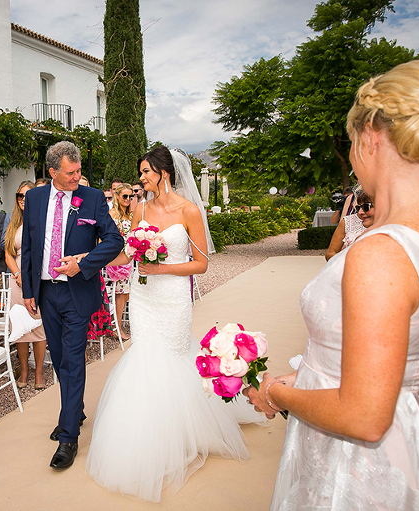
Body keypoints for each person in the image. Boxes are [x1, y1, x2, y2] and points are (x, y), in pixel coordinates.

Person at [244, 59, 419, 510]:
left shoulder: (381, 252)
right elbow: (384, 354)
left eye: (351, 143)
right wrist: (303, 376)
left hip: (359, 467)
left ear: (370, 136)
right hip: (411, 430)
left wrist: (276, 392)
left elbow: (363, 417)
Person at [86, 146, 252, 502]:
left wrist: (162, 268)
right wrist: (90, 259)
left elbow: (202, 264)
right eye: (141, 172)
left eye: (146, 172)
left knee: (174, 357)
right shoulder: (140, 209)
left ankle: (182, 432)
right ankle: (147, 436)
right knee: (145, 358)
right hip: (143, 295)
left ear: (164, 172)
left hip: (173, 297)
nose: (141, 178)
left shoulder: (188, 210)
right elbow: (127, 252)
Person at [21, 141, 123, 470]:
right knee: (61, 358)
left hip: (77, 291)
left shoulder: (91, 198)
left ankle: (68, 437)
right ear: (52, 172)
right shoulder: (35, 198)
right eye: (70, 172)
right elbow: (29, 245)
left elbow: (114, 240)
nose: (77, 177)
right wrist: (28, 289)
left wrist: (83, 263)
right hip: (45, 292)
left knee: (73, 360)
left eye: (79, 171)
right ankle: (74, 410)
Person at [4, 181, 48, 390]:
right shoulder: (14, 222)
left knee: (38, 327)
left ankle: (38, 372)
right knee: (19, 326)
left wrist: (29, 276)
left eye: (27, 195)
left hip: (37, 278)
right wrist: (17, 274)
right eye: (20, 196)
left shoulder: (43, 220)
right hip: (17, 280)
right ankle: (24, 370)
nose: (23, 199)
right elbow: (8, 253)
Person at [106, 183, 135, 340]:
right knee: (119, 294)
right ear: (117, 196)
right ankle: (116, 327)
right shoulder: (111, 215)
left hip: (129, 259)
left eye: (131, 196)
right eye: (125, 196)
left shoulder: (130, 215)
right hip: (116, 260)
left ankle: (116, 325)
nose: (128, 199)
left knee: (125, 294)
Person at [325, 193, 375, 261]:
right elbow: (330, 253)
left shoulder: (388, 228)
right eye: (358, 207)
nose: (360, 212)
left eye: (366, 207)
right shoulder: (348, 222)